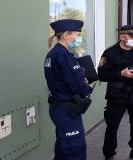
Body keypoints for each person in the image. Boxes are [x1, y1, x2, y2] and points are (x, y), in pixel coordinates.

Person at [98, 25, 133, 160]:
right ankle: (109, 154)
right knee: (112, 126)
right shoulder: (110, 53)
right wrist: (121, 74)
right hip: (117, 96)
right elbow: (102, 75)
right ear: (123, 37)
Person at [44, 19, 94, 160]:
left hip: (58, 107)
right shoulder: (64, 55)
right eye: (78, 35)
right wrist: (88, 87)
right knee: (74, 150)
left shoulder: (52, 53)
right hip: (67, 111)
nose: (79, 38)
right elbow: (79, 86)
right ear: (66, 35)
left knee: (62, 147)